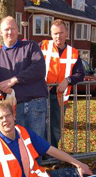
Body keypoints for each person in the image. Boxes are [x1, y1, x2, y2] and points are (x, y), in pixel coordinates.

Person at [0, 99, 93, 177]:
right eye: (0, 118)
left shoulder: (23, 132)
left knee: (80, 173)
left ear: (14, 116)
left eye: (8, 115)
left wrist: (79, 164)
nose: (5, 120)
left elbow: (51, 150)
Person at [0, 16, 48, 140]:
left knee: (36, 144)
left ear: (18, 30)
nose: (10, 32)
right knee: (17, 144)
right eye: (6, 29)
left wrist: (14, 80)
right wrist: (0, 86)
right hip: (12, 108)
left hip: (35, 104)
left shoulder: (31, 46)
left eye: (13, 28)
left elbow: (39, 68)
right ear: (0, 32)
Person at [39, 19, 85, 148]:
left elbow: (80, 73)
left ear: (66, 33)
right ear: (51, 34)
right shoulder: (42, 46)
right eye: (55, 33)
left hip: (60, 97)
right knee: (40, 126)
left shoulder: (73, 52)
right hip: (41, 95)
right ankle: (40, 154)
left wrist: (68, 80)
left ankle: (52, 156)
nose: (58, 36)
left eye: (61, 32)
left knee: (56, 128)